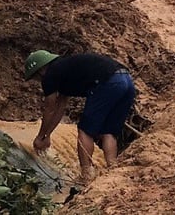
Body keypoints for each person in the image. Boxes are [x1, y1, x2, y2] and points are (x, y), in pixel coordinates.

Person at [24, 50, 136, 184]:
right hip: (127, 80)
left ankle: (86, 174)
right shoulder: (65, 68)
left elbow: (50, 108)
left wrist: (40, 136)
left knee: (85, 130)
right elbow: (60, 107)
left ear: (40, 70)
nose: (38, 81)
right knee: (108, 132)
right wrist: (47, 136)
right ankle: (113, 169)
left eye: (35, 77)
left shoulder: (50, 75)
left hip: (107, 83)